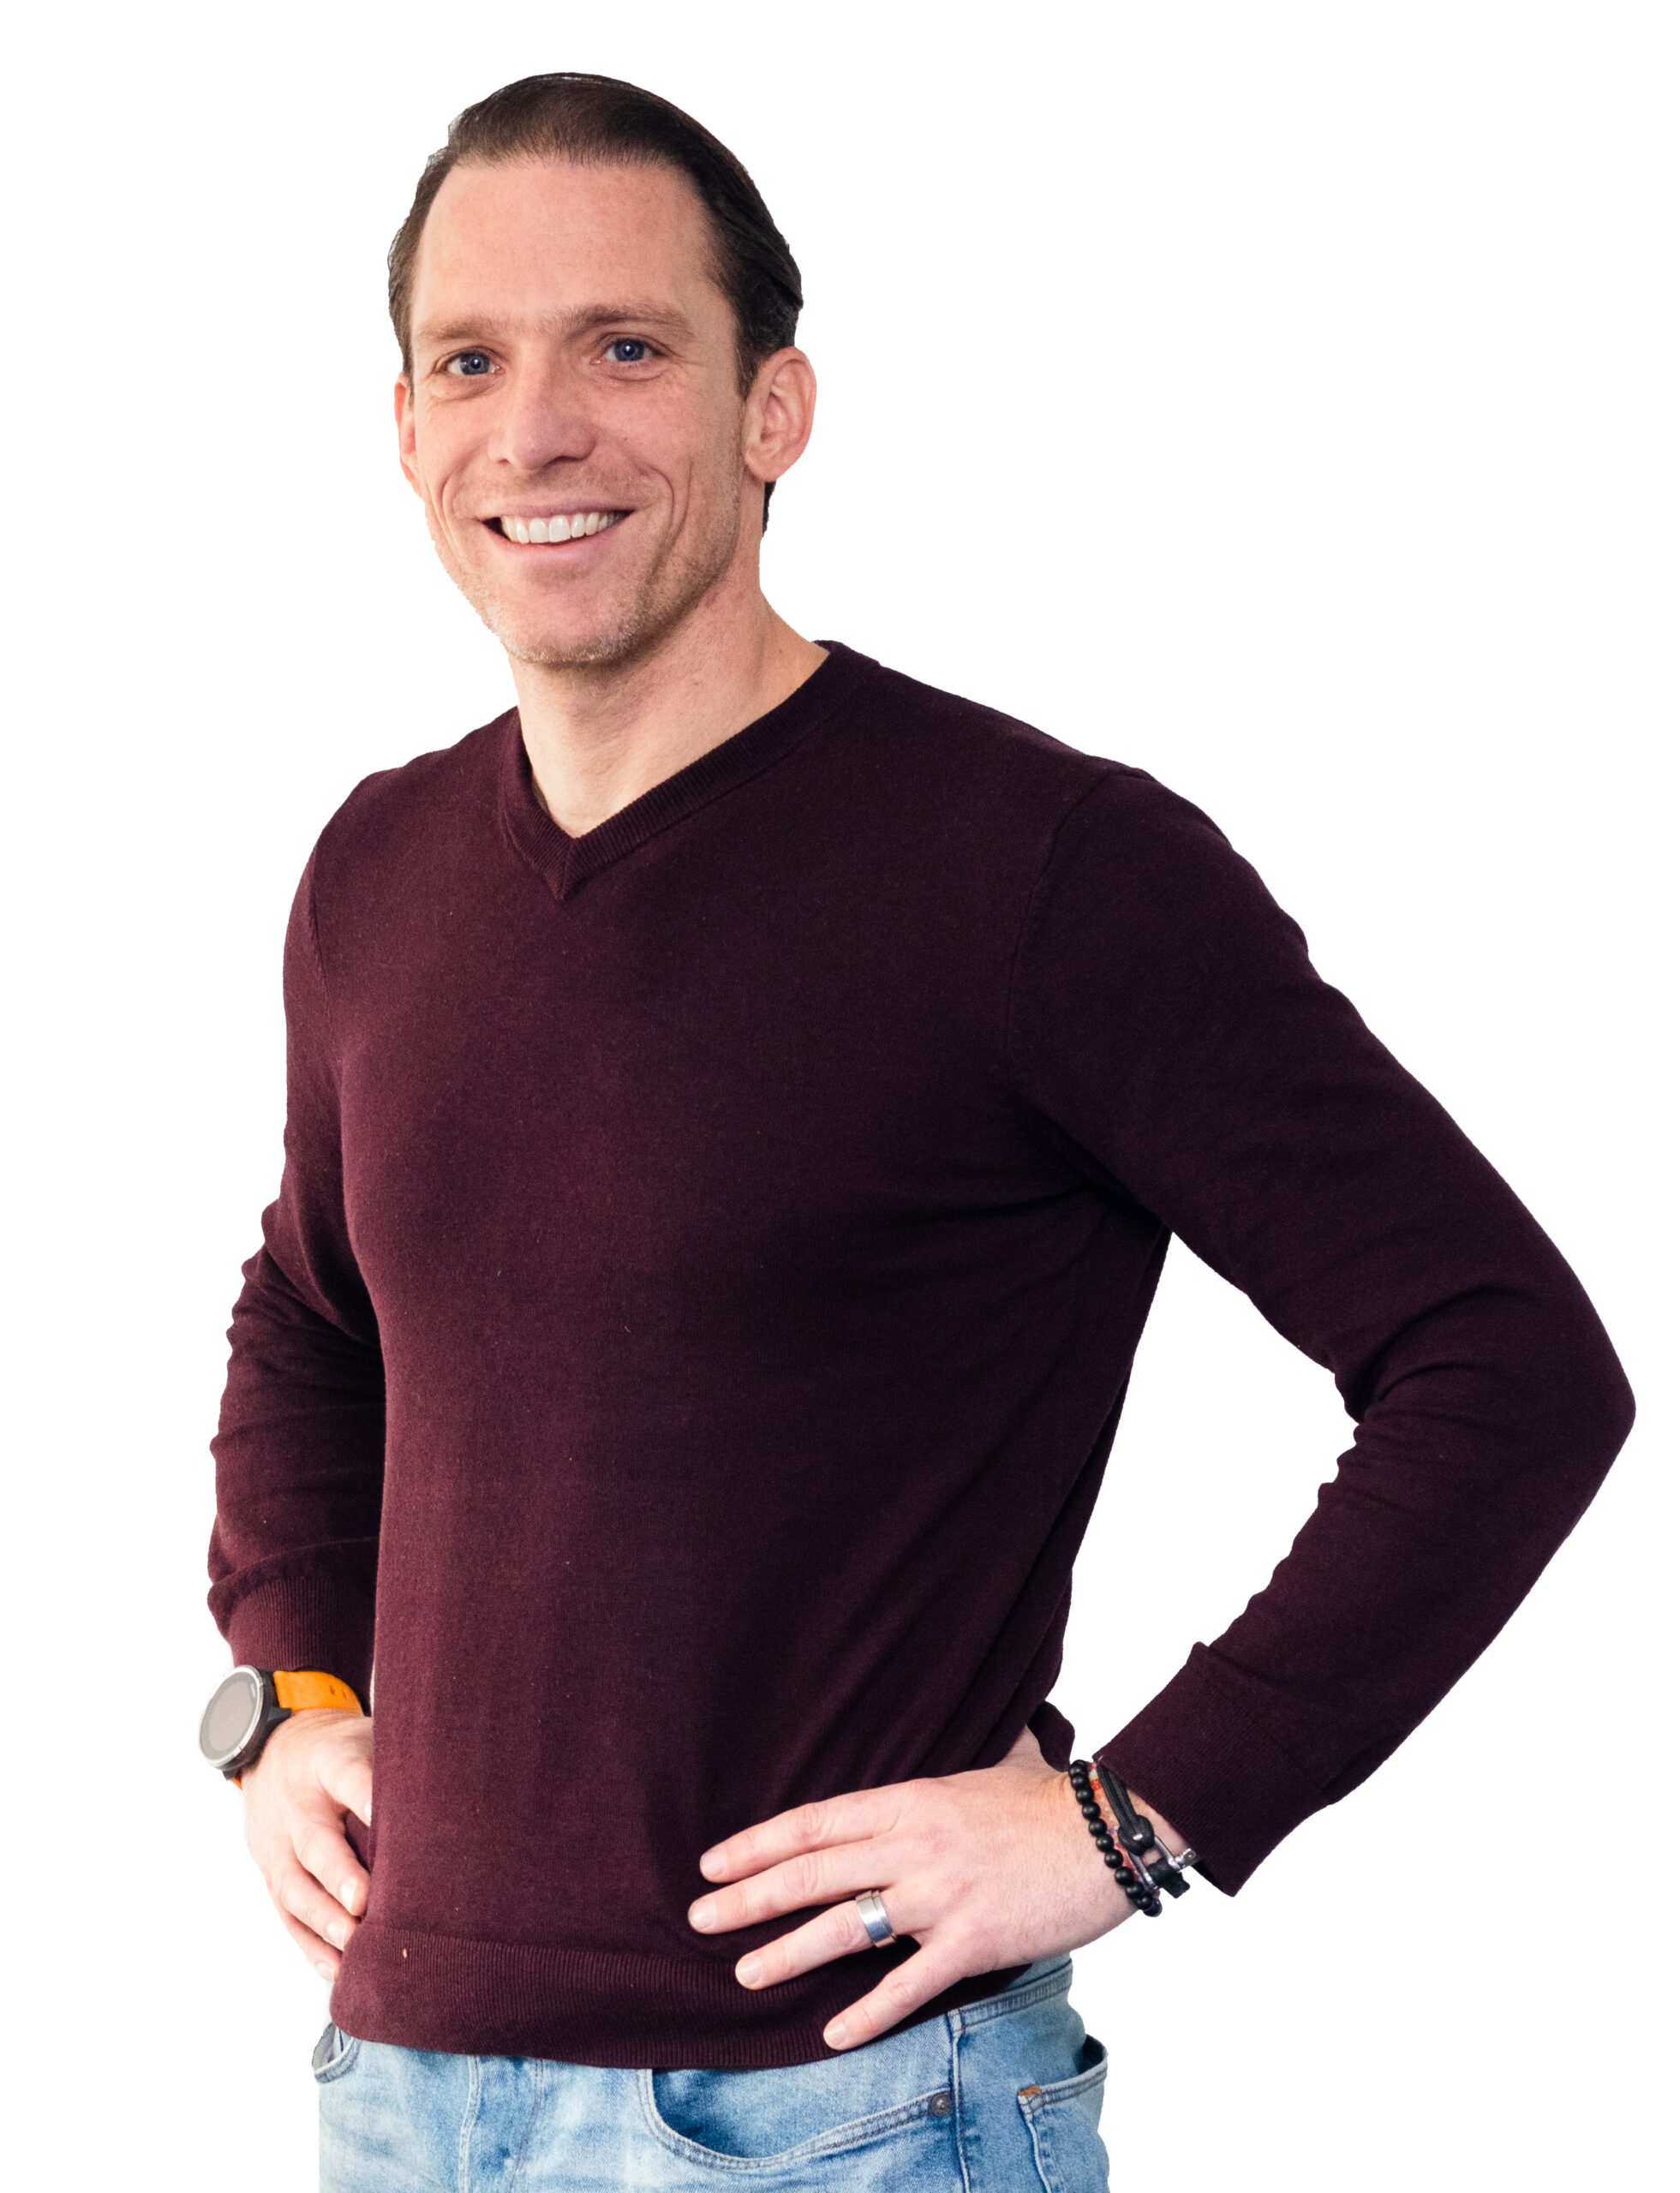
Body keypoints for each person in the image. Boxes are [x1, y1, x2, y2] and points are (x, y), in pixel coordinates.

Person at [199, 71, 1634, 2192]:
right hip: (406, 2089)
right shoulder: (378, 870)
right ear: (405, 428)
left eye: (625, 347)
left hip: (848, 2111)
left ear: (773, 408)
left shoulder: (1041, 869)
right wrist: (289, 1692)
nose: (538, 429)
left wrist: (1137, 1815)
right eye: (471, 362)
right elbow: (315, 1314)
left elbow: (1506, 1361)